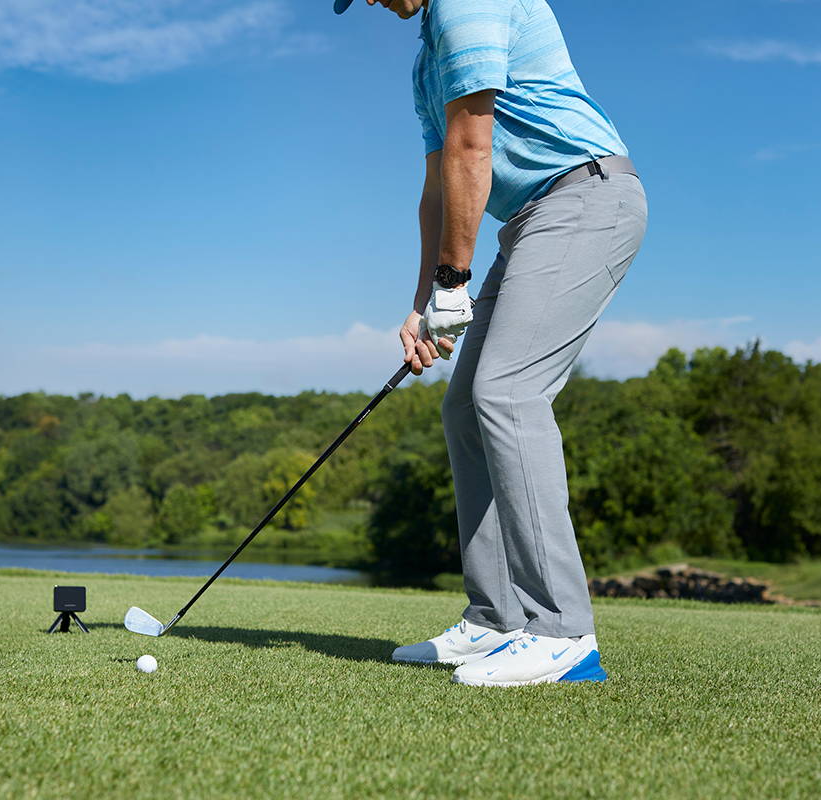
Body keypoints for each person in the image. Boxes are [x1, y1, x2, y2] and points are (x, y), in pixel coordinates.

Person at [334, 0, 647, 686]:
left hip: (584, 199)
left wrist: (454, 281)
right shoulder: (426, 60)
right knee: (464, 409)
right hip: (531, 222)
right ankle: (495, 619)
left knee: (507, 391)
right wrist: (425, 302)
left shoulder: (465, 3)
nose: (373, 3)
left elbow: (475, 147)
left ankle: (561, 631)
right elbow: (439, 186)